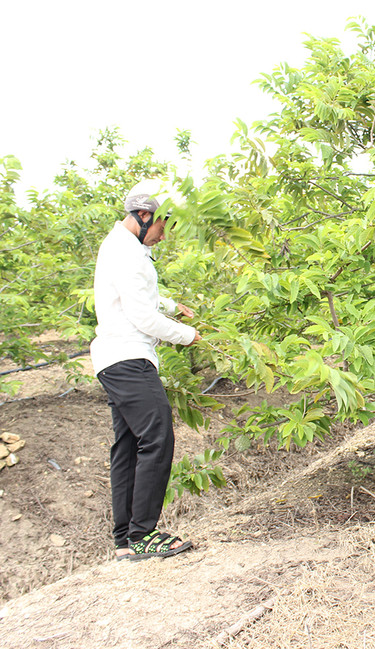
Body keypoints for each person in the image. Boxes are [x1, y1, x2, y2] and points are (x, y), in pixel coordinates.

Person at [90, 179, 201, 561]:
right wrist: (187, 335)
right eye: (162, 227)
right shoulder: (128, 253)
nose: (163, 236)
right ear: (143, 216)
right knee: (158, 438)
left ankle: (125, 540)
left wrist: (172, 304)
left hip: (113, 358)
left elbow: (134, 294)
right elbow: (140, 314)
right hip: (128, 358)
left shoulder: (119, 246)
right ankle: (143, 535)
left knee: (128, 447)